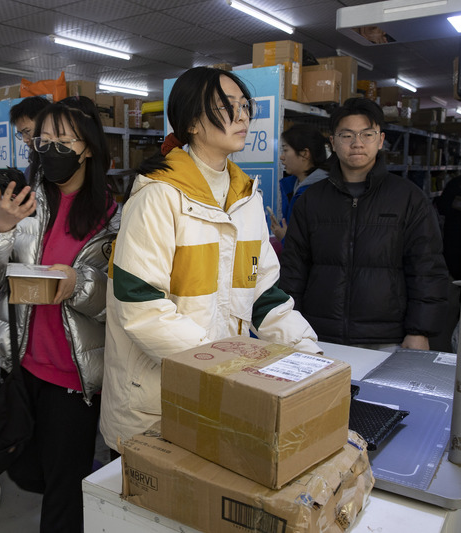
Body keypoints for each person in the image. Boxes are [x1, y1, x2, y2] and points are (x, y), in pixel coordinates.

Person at [100, 67, 321, 456]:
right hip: (157, 400)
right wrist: (223, 365)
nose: (241, 116)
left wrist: (309, 357)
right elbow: (141, 308)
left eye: (244, 105)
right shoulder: (158, 197)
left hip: (218, 389)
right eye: (225, 106)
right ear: (191, 123)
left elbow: (264, 296)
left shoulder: (246, 199)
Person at [0, 96, 120, 533]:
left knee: (62, 492)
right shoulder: (23, 204)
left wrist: (79, 284)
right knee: (25, 471)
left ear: (87, 147)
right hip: (21, 368)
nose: (49, 149)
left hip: (73, 378)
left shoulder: (113, 215)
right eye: (42, 139)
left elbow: (119, 299)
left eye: (62, 140)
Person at [279, 97, 449, 350]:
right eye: (346, 135)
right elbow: (294, 269)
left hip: (387, 338)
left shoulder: (408, 198)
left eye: (367, 134)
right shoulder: (312, 200)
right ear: (333, 142)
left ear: (380, 140)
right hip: (318, 335)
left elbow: (427, 268)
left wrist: (419, 331)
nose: (357, 143)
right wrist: (289, 325)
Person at [270, 123, 329, 242]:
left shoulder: (322, 193)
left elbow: (318, 244)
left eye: (285, 150)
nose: (282, 157)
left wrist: (285, 239)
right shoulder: (293, 187)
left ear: (304, 154)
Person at [10, 95, 51, 179]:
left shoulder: (60, 164)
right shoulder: (31, 167)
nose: (24, 140)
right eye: (21, 133)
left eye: (27, 131)